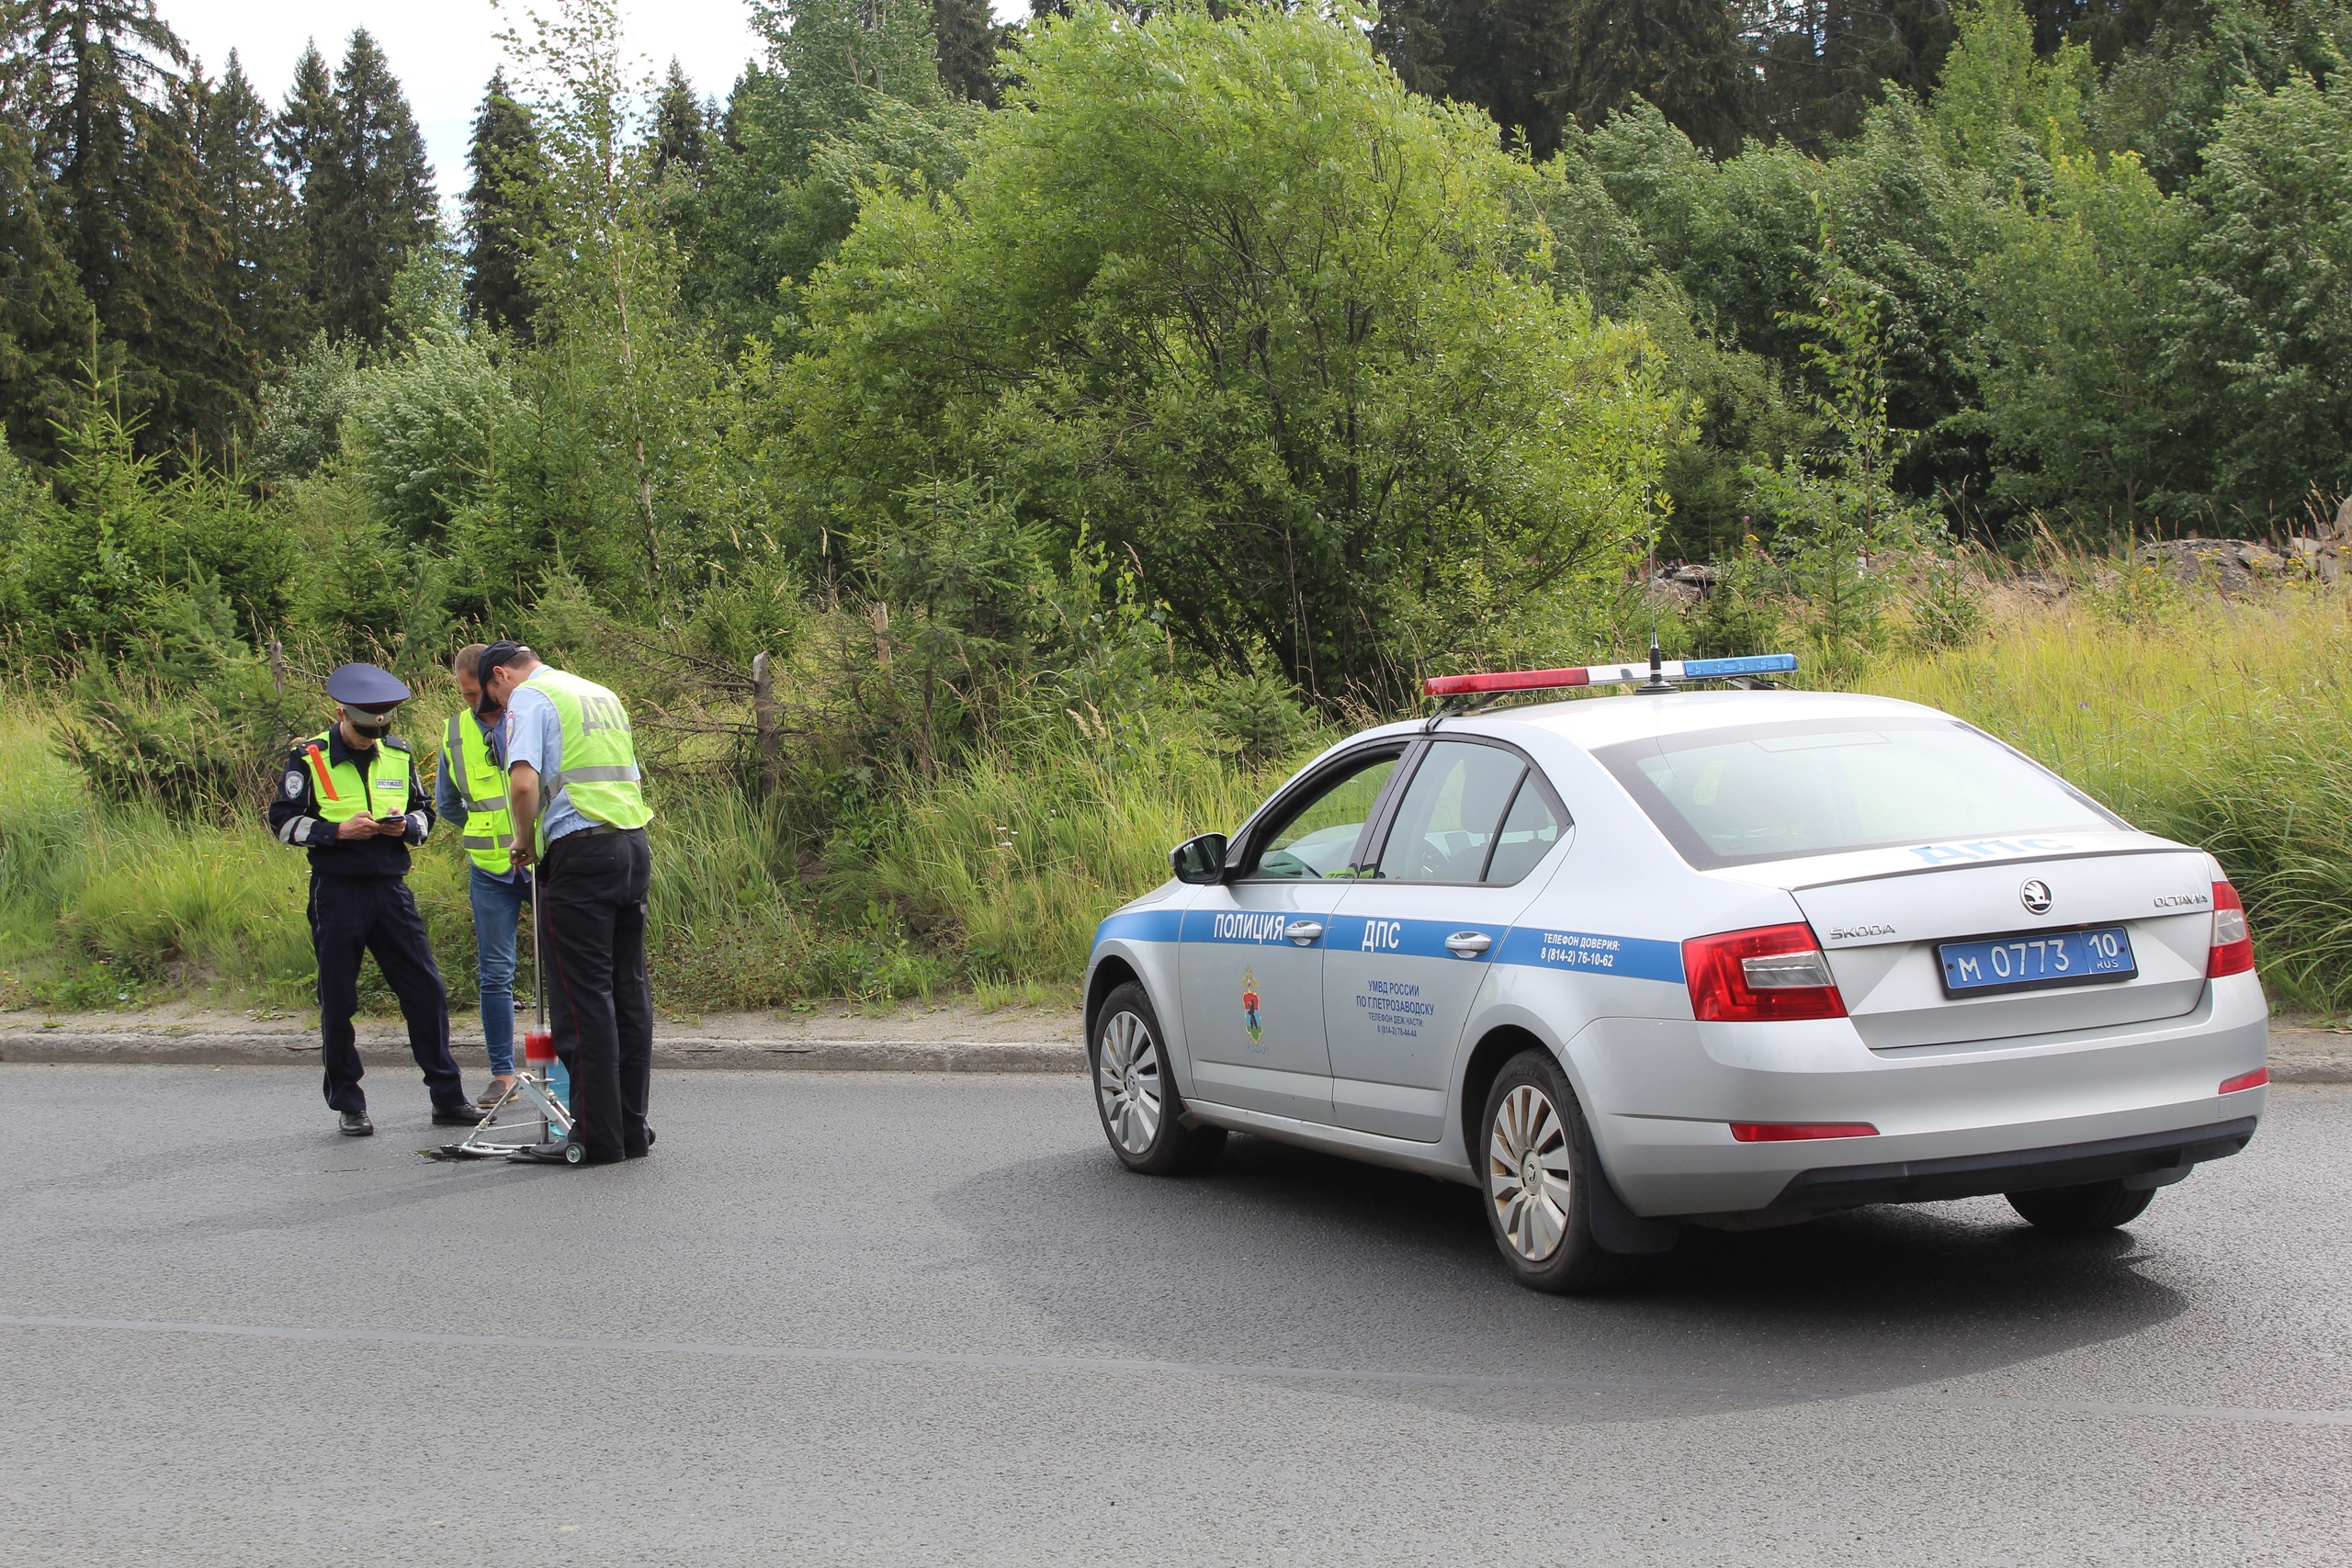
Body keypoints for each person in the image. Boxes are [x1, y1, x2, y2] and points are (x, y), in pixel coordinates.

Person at [266, 662, 483, 1137]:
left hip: (391, 891)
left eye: (379, 729)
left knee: (426, 993)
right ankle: (349, 1102)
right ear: (342, 713)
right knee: (338, 1001)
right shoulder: (309, 758)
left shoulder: (399, 755)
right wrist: (336, 832)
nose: (371, 737)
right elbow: (283, 823)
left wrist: (403, 826)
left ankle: (447, 1098)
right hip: (337, 892)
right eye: (364, 729)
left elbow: (424, 817)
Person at [476, 642, 655, 1165]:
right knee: (628, 992)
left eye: (494, 698)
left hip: (579, 852)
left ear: (502, 676)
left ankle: (595, 1138)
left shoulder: (531, 698)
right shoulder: (598, 693)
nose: (501, 709)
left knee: (582, 1001)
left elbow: (524, 783)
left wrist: (524, 840)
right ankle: (629, 1128)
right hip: (630, 845)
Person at [438, 643, 530, 1110]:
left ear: (497, 682)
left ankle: (572, 1065)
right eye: (465, 694)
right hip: (491, 870)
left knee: (566, 966)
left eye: (478, 693)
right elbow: (448, 804)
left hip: (541, 860)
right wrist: (486, 830)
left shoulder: (530, 715)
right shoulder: (455, 731)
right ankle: (503, 1073)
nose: (472, 703)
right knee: (495, 973)